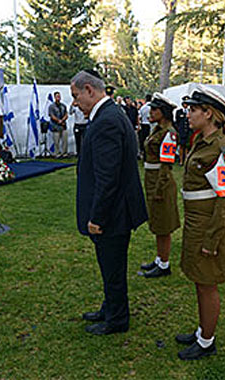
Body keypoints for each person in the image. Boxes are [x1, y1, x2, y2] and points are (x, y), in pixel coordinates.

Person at [71, 69, 148, 334]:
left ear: (89, 90)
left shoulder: (107, 120)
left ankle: (117, 319)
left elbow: (108, 178)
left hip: (112, 214)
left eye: (76, 95)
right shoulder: (110, 114)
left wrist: (97, 218)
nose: (74, 102)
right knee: (110, 266)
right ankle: (110, 307)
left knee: (113, 267)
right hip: (117, 211)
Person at [174, 85, 225, 360]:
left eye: (192, 110)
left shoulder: (223, 148)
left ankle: (207, 341)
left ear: (208, 113)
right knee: (200, 279)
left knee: (207, 282)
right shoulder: (202, 141)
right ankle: (203, 330)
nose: (188, 114)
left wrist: (212, 239)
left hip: (211, 222)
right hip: (197, 219)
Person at [139, 93, 181, 278]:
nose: (151, 111)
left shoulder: (169, 134)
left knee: (163, 224)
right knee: (157, 222)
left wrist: (159, 188)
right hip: (153, 178)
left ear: (163, 113)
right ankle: (159, 259)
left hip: (160, 181)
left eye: (155, 109)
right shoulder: (157, 130)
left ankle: (164, 264)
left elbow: (166, 164)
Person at [48, 91, 69, 158]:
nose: (58, 97)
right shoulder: (51, 106)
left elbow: (66, 114)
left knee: (65, 140)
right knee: (56, 141)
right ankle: (57, 153)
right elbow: (51, 115)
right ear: (54, 97)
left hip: (63, 126)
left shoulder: (63, 106)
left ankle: (64, 153)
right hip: (55, 126)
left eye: (59, 96)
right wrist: (58, 121)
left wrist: (62, 120)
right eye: (57, 96)